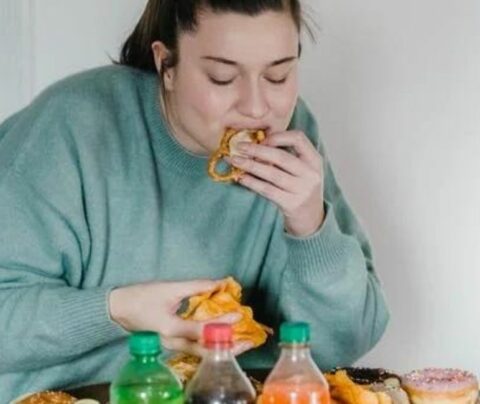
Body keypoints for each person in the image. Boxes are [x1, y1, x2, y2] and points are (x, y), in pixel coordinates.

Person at [0, 0, 389, 400]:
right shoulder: (73, 129)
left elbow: (346, 341)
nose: (256, 108)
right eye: (222, 78)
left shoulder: (292, 136)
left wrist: (310, 226)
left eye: (278, 75)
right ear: (166, 65)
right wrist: (119, 310)